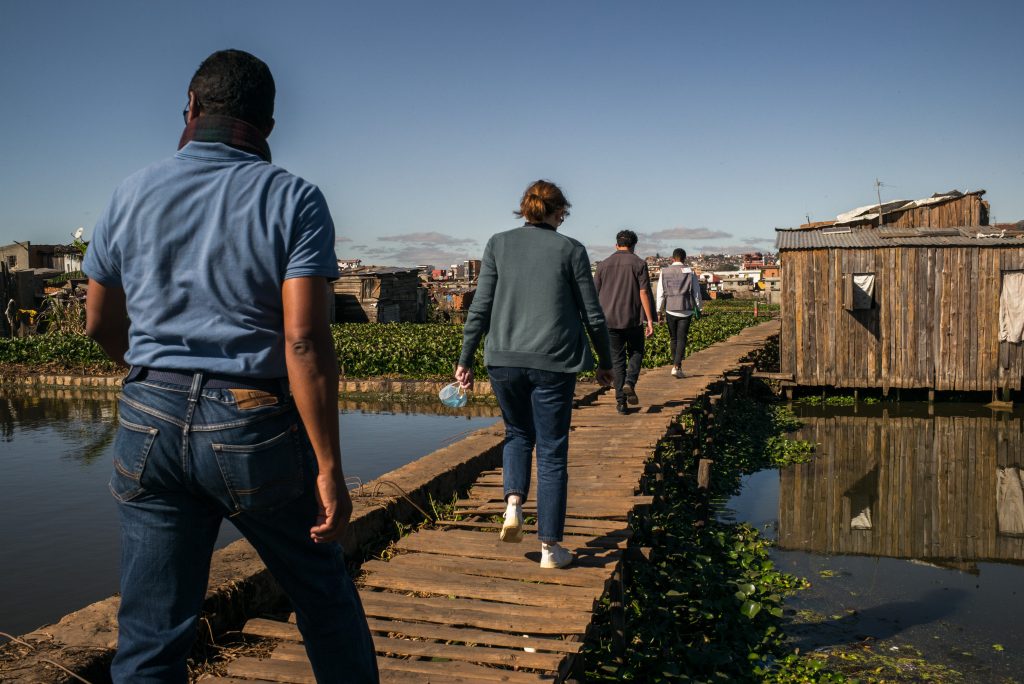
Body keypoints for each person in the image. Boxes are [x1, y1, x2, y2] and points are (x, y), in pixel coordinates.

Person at [83, 50, 378, 683]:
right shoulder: (294, 197)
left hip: (147, 418)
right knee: (322, 599)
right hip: (252, 425)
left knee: (151, 636)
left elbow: (100, 324)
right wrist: (329, 468)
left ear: (190, 109)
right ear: (267, 124)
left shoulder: (129, 193)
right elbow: (302, 340)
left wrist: (148, 381)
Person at [455, 180, 613, 569]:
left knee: (517, 434)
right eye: (565, 211)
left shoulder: (498, 243)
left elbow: (481, 307)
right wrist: (607, 361)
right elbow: (592, 314)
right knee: (553, 451)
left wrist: (465, 357)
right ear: (558, 211)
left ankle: (512, 504)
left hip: (502, 360)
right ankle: (549, 549)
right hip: (554, 362)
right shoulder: (571, 249)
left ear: (525, 210)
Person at [594, 230, 655, 414]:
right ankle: (630, 382)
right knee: (636, 351)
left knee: (617, 361)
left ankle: (621, 402)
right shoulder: (639, 263)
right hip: (633, 319)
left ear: (616, 245)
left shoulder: (603, 265)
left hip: (609, 321)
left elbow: (594, 295)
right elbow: (643, 292)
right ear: (634, 245)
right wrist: (650, 319)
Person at [656, 248, 703, 377]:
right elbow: (696, 292)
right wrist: (699, 308)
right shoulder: (690, 272)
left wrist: (658, 311)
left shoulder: (664, 272)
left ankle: (676, 366)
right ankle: (677, 366)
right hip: (686, 309)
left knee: (673, 338)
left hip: (670, 308)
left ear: (673, 258)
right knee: (682, 338)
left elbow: (660, 293)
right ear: (684, 258)